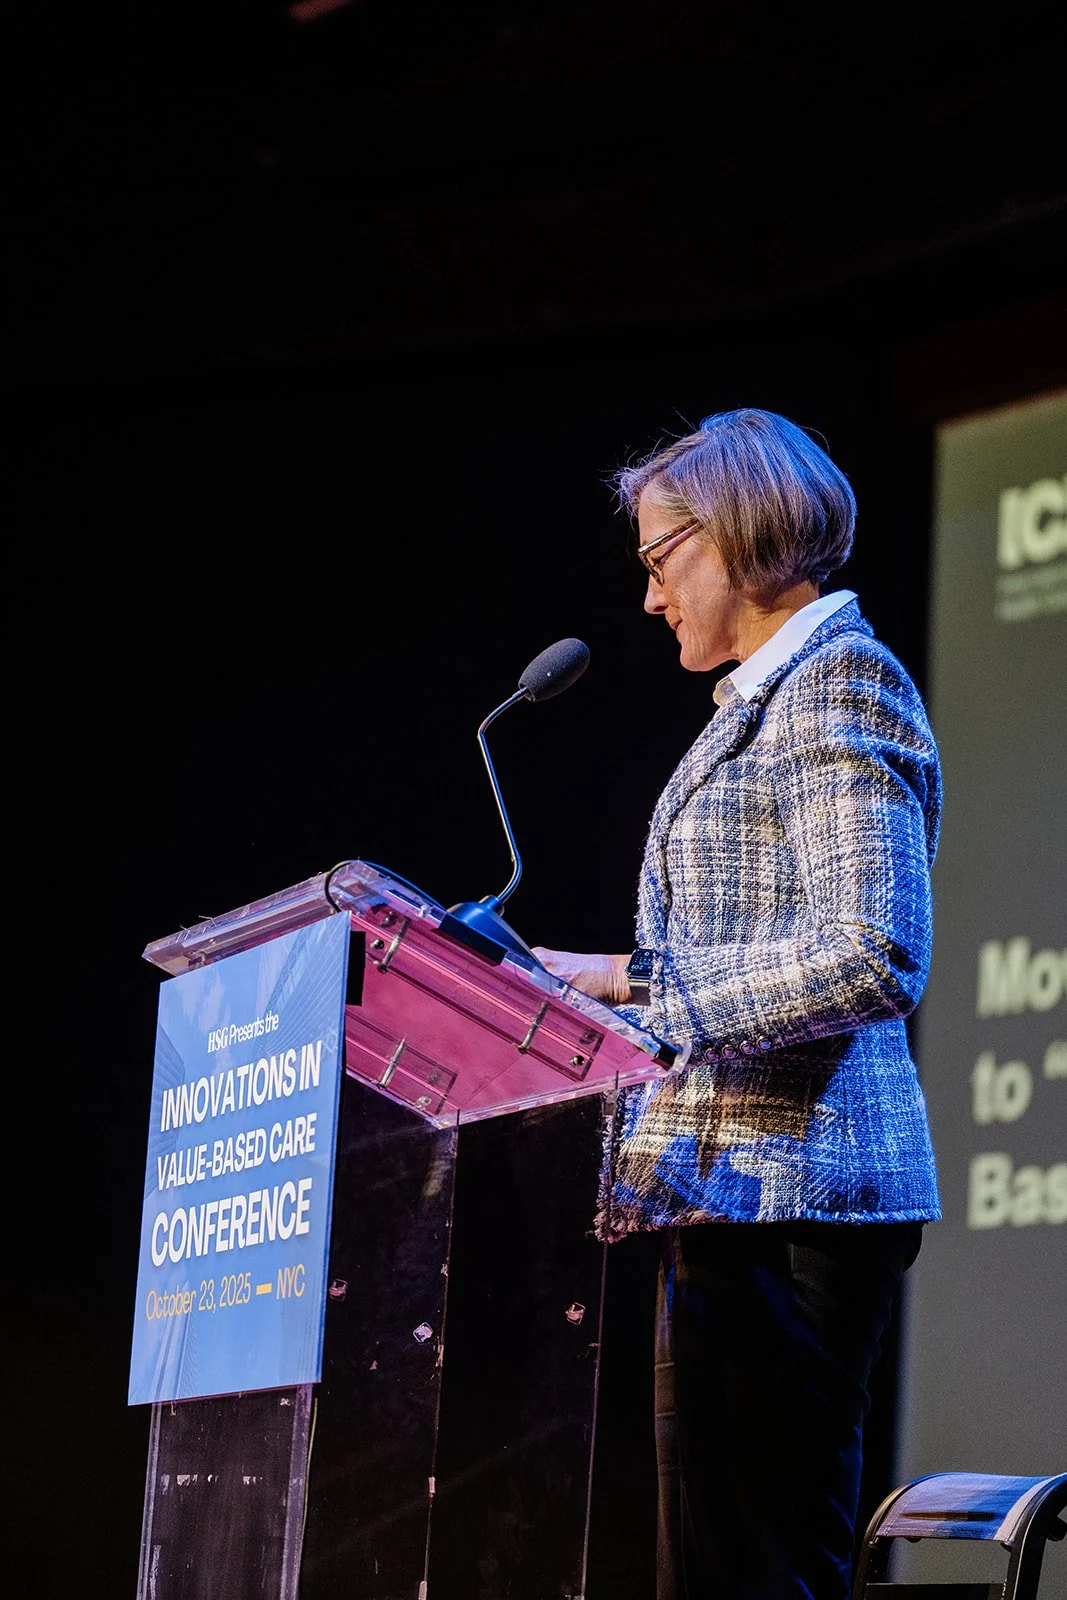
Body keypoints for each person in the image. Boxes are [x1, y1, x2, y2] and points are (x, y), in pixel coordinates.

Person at [531, 407, 942, 1600]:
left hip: (795, 1196)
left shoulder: (836, 682)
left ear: (738, 534)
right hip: (730, 1196)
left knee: (753, 1575)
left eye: (660, 559)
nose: (649, 596)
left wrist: (633, 981)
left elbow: (870, 951)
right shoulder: (767, 697)